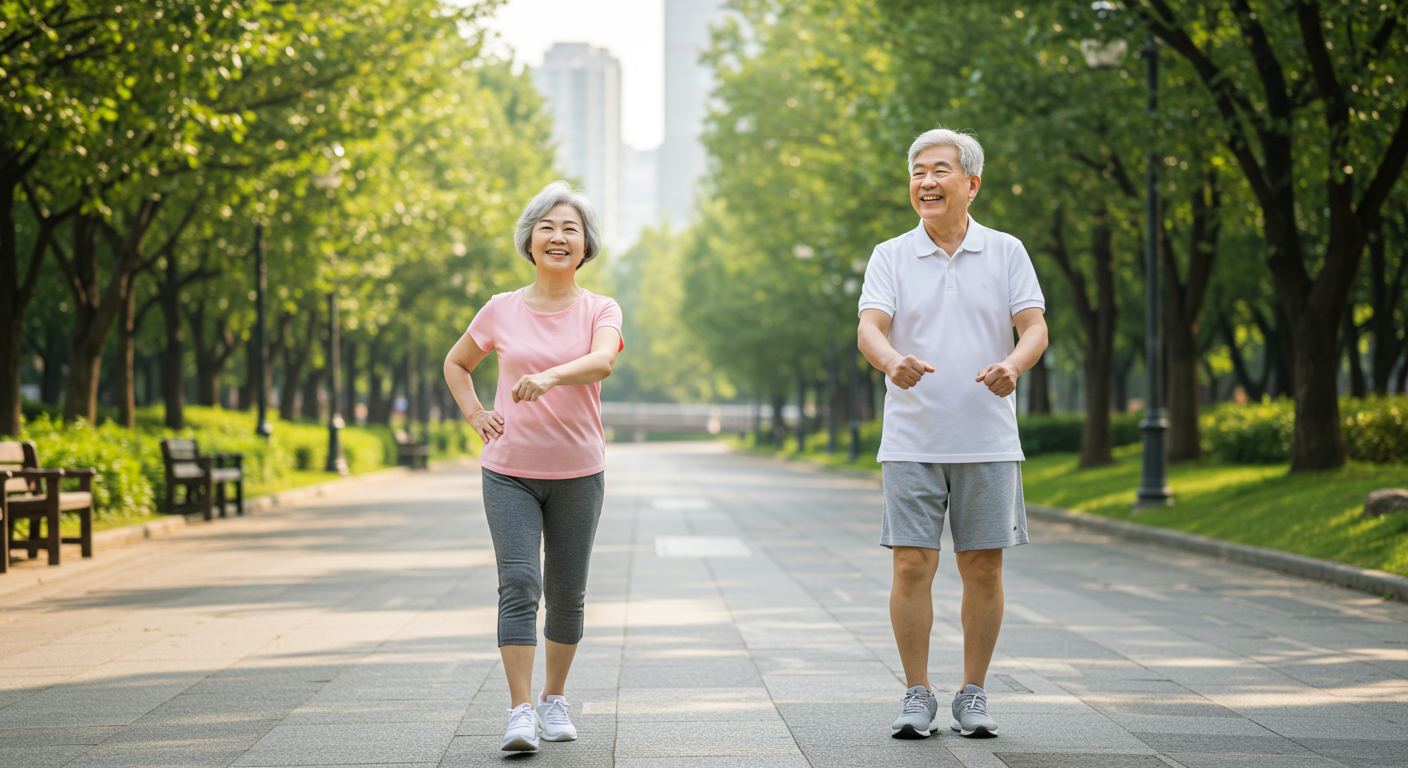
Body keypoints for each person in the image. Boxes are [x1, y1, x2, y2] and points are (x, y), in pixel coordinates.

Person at [856, 128, 1048, 740]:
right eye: (917, 171)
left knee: (982, 567)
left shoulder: (1006, 251)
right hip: (911, 438)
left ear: (972, 183)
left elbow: (1035, 327)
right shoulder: (890, 254)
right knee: (911, 565)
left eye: (940, 170)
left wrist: (1013, 365)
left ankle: (973, 693)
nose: (926, 182)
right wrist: (892, 361)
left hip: (987, 438)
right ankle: (917, 694)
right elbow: (870, 328)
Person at [443, 181, 623, 753]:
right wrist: (475, 413)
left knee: (568, 591)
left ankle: (553, 698)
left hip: (579, 472)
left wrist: (549, 377)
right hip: (509, 471)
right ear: (529, 240)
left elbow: (602, 361)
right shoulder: (500, 308)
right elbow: (456, 363)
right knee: (520, 582)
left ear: (586, 245)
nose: (558, 237)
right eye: (547, 227)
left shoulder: (601, 308)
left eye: (571, 228)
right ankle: (519, 711)